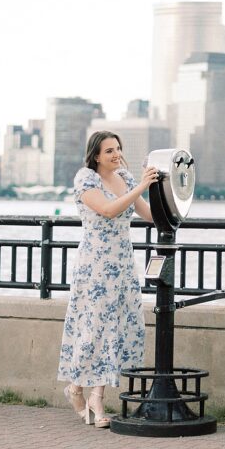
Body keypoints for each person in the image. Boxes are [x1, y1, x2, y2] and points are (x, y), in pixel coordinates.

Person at [57, 131, 159, 428]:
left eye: (118, 149)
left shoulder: (125, 177)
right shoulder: (85, 179)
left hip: (123, 263)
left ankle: (96, 396)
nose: (116, 154)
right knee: (94, 327)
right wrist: (141, 184)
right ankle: (77, 387)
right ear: (96, 156)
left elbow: (148, 215)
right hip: (96, 265)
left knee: (116, 328)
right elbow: (108, 210)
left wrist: (166, 194)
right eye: (110, 150)